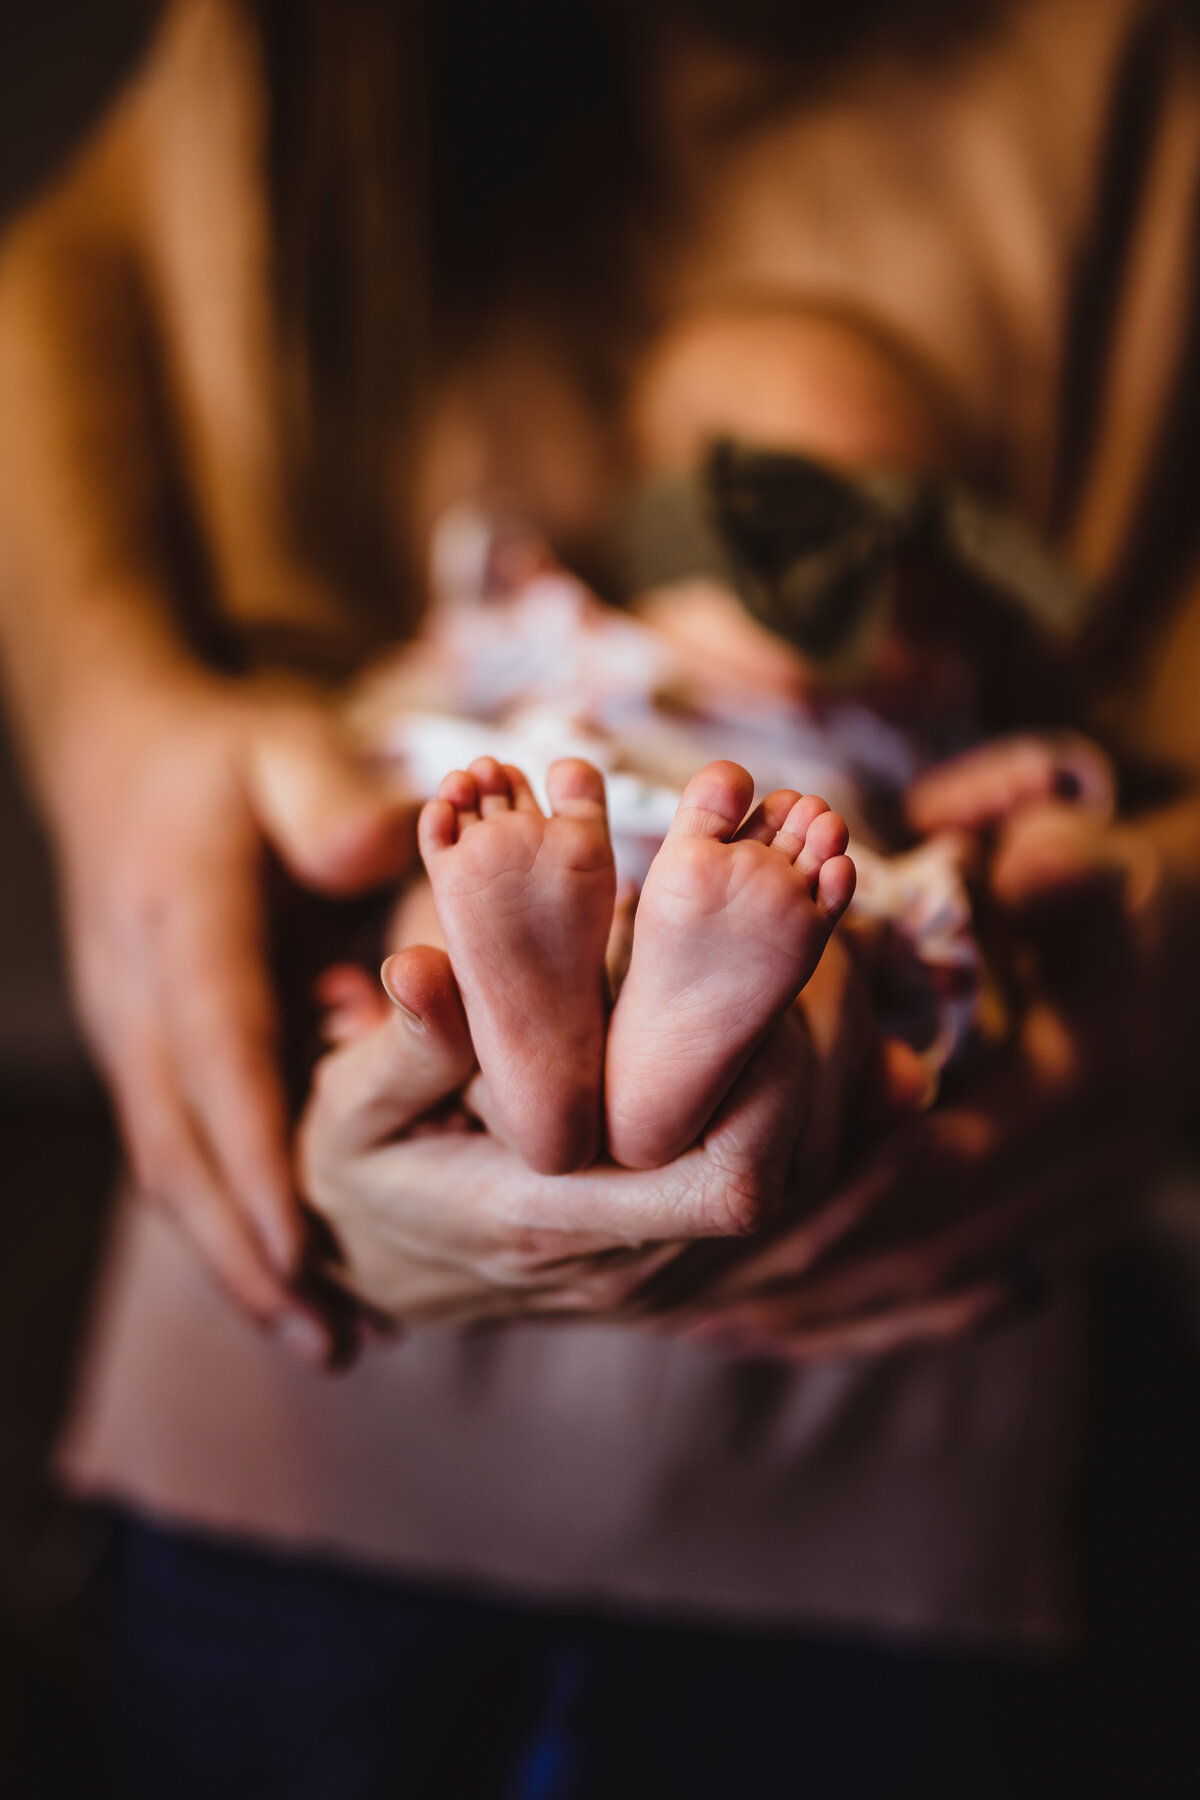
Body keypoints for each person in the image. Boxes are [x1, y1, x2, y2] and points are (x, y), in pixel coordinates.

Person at [0, 0, 1197, 1792]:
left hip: (765, 864)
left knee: (834, 979)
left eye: (895, 509)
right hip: (604, 827)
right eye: (777, 492)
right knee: (445, 866)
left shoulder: (915, 706)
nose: (840, 546)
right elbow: (82, 284)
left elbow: (1031, 823)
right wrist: (148, 728)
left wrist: (1056, 796)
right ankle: (574, 1021)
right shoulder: (550, 634)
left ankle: (642, 1033)